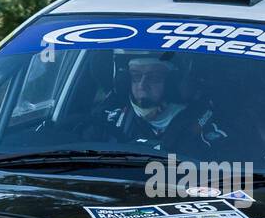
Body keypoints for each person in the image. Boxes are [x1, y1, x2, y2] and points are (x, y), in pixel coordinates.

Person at [96, 55, 229, 155]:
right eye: (136, 76)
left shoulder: (207, 124)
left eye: (154, 77)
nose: (142, 86)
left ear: (173, 83)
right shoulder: (109, 120)